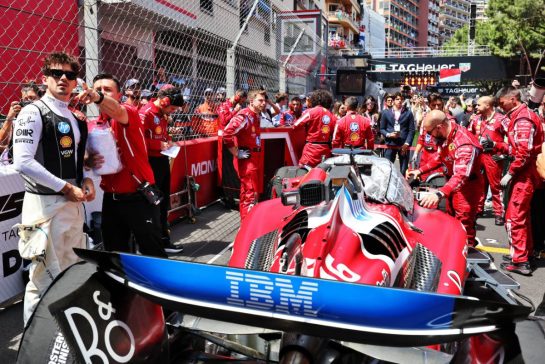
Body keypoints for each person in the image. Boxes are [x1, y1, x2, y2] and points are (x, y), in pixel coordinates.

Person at [12, 52, 95, 324]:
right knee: (42, 277)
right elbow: (22, 161)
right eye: (57, 74)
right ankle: (33, 345)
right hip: (43, 205)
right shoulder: (31, 111)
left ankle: (60, 338)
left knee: (72, 271)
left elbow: (80, 161)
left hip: (73, 207)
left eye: (70, 75)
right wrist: (65, 187)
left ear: (76, 81)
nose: (63, 79)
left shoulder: (76, 117)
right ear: (44, 78)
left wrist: (86, 180)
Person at [80, 73, 168, 259]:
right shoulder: (96, 124)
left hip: (139, 196)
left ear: (119, 95)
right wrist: (88, 161)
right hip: (111, 199)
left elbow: (118, 112)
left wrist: (97, 96)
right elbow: (86, 157)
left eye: (107, 90)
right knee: (115, 254)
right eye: (98, 89)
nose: (101, 92)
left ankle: (160, 287)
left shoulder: (129, 112)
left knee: (152, 253)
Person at [407, 110, 484, 247]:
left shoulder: (464, 143)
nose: (430, 137)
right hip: (452, 185)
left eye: (430, 133)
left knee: (463, 226)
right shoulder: (446, 136)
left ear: (439, 127)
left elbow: (461, 176)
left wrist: (439, 193)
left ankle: (465, 257)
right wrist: (420, 170)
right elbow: (440, 157)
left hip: (467, 188)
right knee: (450, 221)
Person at [495, 86, 544, 275]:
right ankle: (524, 253)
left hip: (525, 173)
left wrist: (511, 172)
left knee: (514, 218)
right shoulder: (521, 115)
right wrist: (498, 146)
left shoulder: (523, 118)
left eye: (502, 102)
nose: (500, 106)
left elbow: (523, 151)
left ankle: (520, 260)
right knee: (522, 217)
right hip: (525, 172)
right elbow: (516, 148)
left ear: (513, 99)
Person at [140, 87, 185, 253]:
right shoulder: (146, 113)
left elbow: (161, 135)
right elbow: (137, 140)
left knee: (163, 202)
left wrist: (168, 140)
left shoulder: (162, 114)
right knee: (154, 203)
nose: (173, 111)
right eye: (172, 108)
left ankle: (163, 240)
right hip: (150, 163)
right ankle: (153, 243)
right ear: (165, 101)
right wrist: (158, 145)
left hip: (162, 160)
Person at [223, 89, 267, 220]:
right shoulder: (244, 116)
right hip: (248, 161)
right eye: (260, 100)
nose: (264, 103)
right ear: (251, 101)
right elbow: (227, 133)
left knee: (250, 194)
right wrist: (236, 152)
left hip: (256, 159)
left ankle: (246, 226)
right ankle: (247, 230)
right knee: (250, 195)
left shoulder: (256, 115)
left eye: (264, 100)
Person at [468, 96, 509, 225]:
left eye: (479, 105)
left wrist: (501, 151)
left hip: (493, 157)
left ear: (488, 106)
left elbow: (512, 140)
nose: (476, 107)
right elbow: (469, 137)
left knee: (496, 186)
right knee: (479, 185)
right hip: (479, 157)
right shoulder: (475, 119)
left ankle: (499, 213)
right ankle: (479, 209)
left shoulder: (501, 119)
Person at [217, 89, 247, 206]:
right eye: (241, 100)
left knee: (233, 167)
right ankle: (226, 196)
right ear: (237, 96)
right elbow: (224, 120)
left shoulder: (236, 106)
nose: (241, 103)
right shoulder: (224, 105)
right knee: (226, 167)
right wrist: (235, 111)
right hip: (224, 140)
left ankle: (233, 195)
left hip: (233, 139)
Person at [293, 89, 337, 168]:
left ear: (314, 100)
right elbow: (335, 134)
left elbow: (296, 125)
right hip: (325, 151)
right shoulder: (332, 115)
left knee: (304, 175)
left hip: (310, 151)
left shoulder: (310, 112)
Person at [411, 93, 448, 181]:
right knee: (423, 183)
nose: (436, 107)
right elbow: (421, 139)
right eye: (433, 105)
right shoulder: (425, 118)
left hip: (439, 157)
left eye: (438, 105)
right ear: (429, 105)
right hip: (425, 156)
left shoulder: (448, 119)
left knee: (437, 183)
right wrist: (415, 153)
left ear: (442, 104)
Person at [380, 92, 415, 175]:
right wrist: (389, 134)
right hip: (390, 143)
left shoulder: (408, 113)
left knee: (403, 170)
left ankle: (403, 186)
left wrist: (407, 143)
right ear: (393, 101)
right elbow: (382, 129)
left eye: (401, 99)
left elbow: (411, 130)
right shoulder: (385, 113)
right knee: (388, 169)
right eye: (397, 99)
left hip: (403, 145)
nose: (399, 101)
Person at [0, 83, 41, 156]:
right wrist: (10, 116)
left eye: (32, 98)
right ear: (21, 101)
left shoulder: (45, 117)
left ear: (40, 99)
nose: (29, 101)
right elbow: (2, 142)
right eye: (25, 99)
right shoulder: (16, 121)